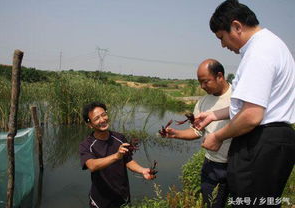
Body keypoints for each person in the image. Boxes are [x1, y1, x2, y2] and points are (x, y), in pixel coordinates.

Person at [195, 0, 295, 207]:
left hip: (260, 142)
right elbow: (251, 106)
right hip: (274, 141)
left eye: (222, 37)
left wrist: (217, 136)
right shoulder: (272, 45)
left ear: (237, 26)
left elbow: (251, 116)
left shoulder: (259, 52)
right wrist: (214, 115)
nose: (223, 44)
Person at [164, 59, 231, 208]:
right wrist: (176, 134)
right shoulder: (202, 102)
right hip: (211, 165)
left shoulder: (239, 98)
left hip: (236, 165)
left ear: (220, 76)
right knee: (210, 204)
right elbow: (196, 131)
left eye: (205, 82)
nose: (202, 86)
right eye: (199, 82)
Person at [79, 102, 155, 208]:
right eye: (96, 118)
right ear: (90, 124)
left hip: (122, 197)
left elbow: (128, 161)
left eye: (103, 114)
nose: (102, 120)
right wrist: (116, 156)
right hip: (100, 201)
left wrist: (142, 170)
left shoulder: (119, 138)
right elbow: (92, 165)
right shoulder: (87, 145)